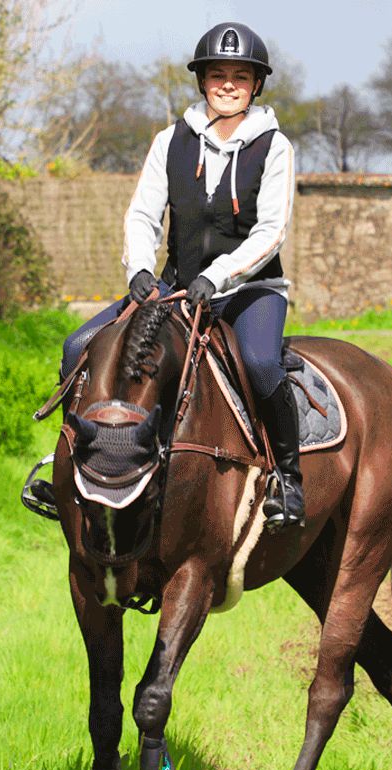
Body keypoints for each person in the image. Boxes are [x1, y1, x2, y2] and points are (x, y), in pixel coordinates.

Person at [59, 21, 304, 528]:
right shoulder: (169, 141)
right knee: (77, 346)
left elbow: (272, 231)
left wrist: (219, 277)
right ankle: (72, 467)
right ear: (202, 81)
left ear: (257, 84)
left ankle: (288, 479)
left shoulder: (275, 146)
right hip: (174, 289)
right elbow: (143, 215)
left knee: (259, 363)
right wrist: (141, 270)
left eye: (241, 75)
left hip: (250, 291)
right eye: (218, 74)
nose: (229, 84)